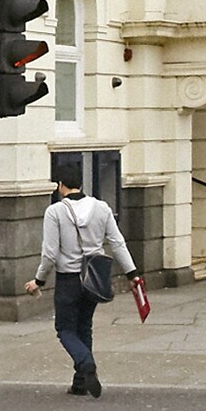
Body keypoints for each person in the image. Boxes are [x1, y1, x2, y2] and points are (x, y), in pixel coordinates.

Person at [23, 157, 139, 397]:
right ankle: (81, 383)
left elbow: (50, 253)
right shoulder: (102, 208)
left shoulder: (55, 211)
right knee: (84, 327)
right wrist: (132, 273)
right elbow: (117, 243)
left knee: (65, 329)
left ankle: (86, 364)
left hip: (68, 279)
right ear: (81, 183)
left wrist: (39, 280)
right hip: (95, 278)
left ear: (59, 184)